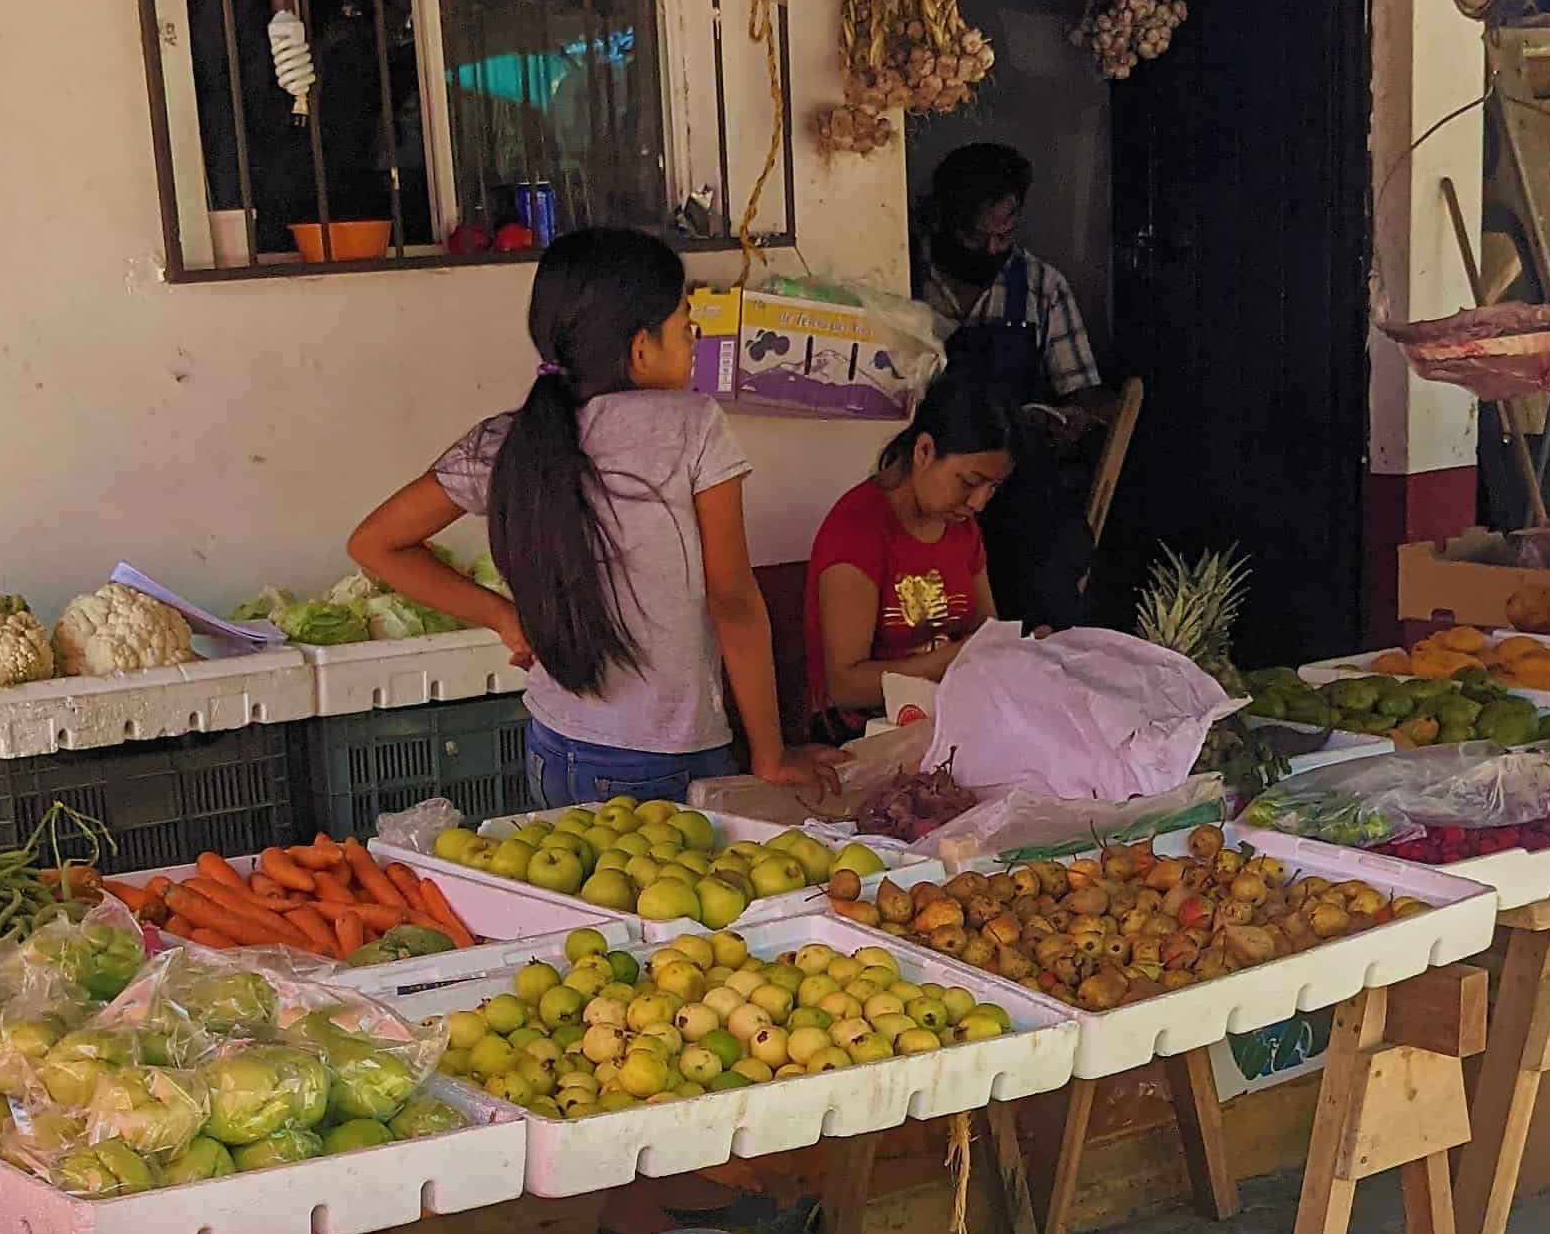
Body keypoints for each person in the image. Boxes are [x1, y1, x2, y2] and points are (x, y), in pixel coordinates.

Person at [347, 227, 817, 806]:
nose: (693, 342)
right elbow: (734, 601)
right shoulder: (692, 425)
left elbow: (375, 543)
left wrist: (502, 617)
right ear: (642, 347)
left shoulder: (509, 439)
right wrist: (770, 754)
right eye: (686, 326)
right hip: (662, 758)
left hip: (554, 745)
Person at [914, 141, 1110, 629]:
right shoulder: (905, 277)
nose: (991, 251)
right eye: (975, 237)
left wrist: (1068, 421)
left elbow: (1083, 394)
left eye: (1003, 236)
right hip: (930, 481)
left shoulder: (1041, 287)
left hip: (1015, 486)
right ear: (942, 220)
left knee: (1050, 568)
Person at [803, 373, 1017, 724]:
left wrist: (1022, 649)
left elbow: (986, 629)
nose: (978, 503)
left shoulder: (962, 527)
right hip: (865, 733)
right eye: (969, 482)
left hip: (947, 716)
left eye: (991, 488)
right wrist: (956, 658)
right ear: (924, 451)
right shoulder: (857, 530)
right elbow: (844, 686)